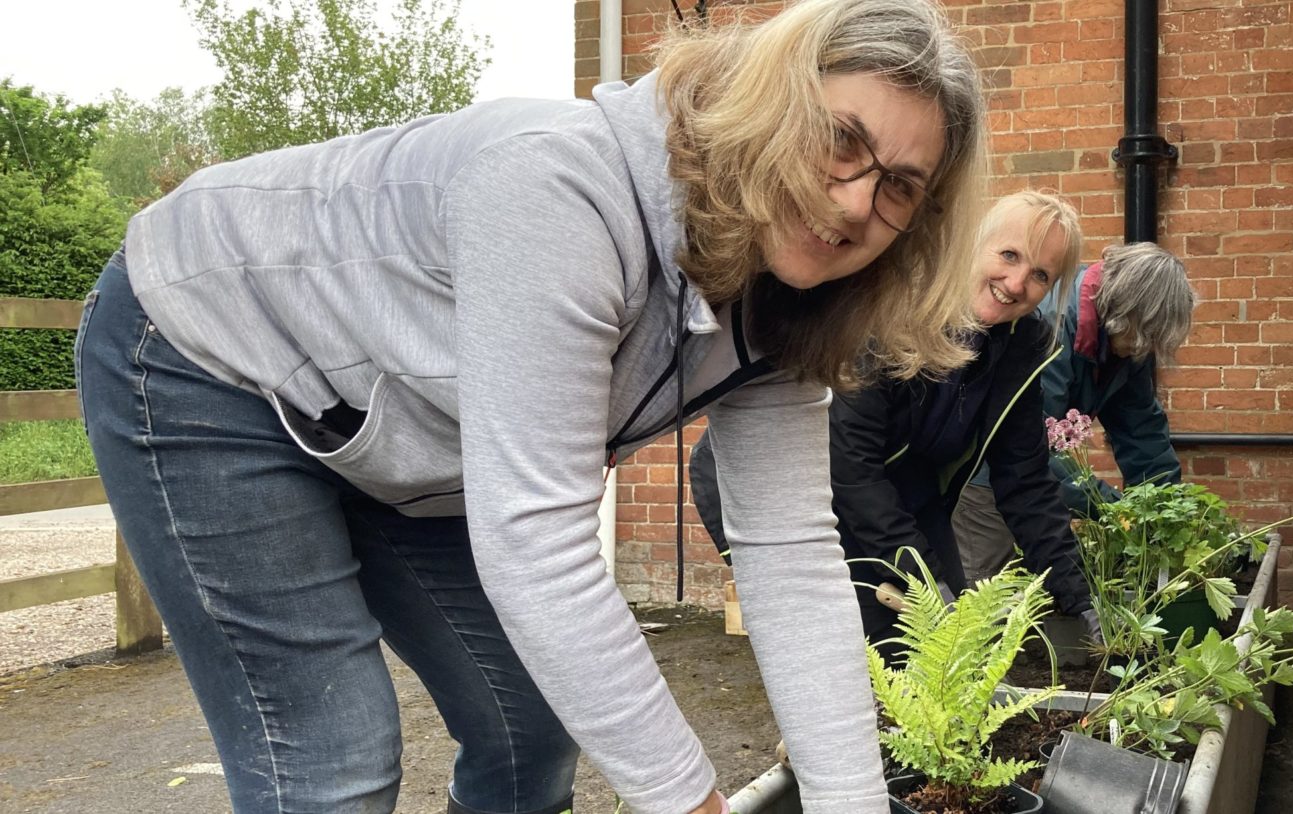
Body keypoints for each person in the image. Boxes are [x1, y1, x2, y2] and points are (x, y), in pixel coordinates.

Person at [73, 2, 987, 812]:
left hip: (397, 427)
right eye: (841, 140)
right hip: (211, 350)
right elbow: (539, 545)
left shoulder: (791, 301)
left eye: (901, 185)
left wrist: (850, 799)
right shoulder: (558, 190)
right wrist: (689, 803)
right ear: (775, 104)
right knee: (333, 762)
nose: (857, 199)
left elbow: (789, 553)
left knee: (528, 730)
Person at [691, 191, 1101, 656]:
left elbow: (1024, 481)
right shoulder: (898, 307)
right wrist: (925, 581)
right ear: (975, 243)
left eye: (1040, 275)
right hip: (782, 484)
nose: (1016, 281)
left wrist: (1081, 599)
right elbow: (848, 462)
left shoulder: (1019, 347)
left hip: (901, 492)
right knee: (858, 651)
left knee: (950, 649)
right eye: (1009, 255)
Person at [953, 242, 1197, 584]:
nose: (1144, 347)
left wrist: (1165, 512)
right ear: (1122, 309)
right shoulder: (1053, 327)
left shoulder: (1125, 343)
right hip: (982, 474)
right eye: (1144, 335)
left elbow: (1143, 433)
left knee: (1029, 591)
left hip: (1028, 478)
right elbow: (1033, 446)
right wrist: (1114, 509)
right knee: (982, 591)